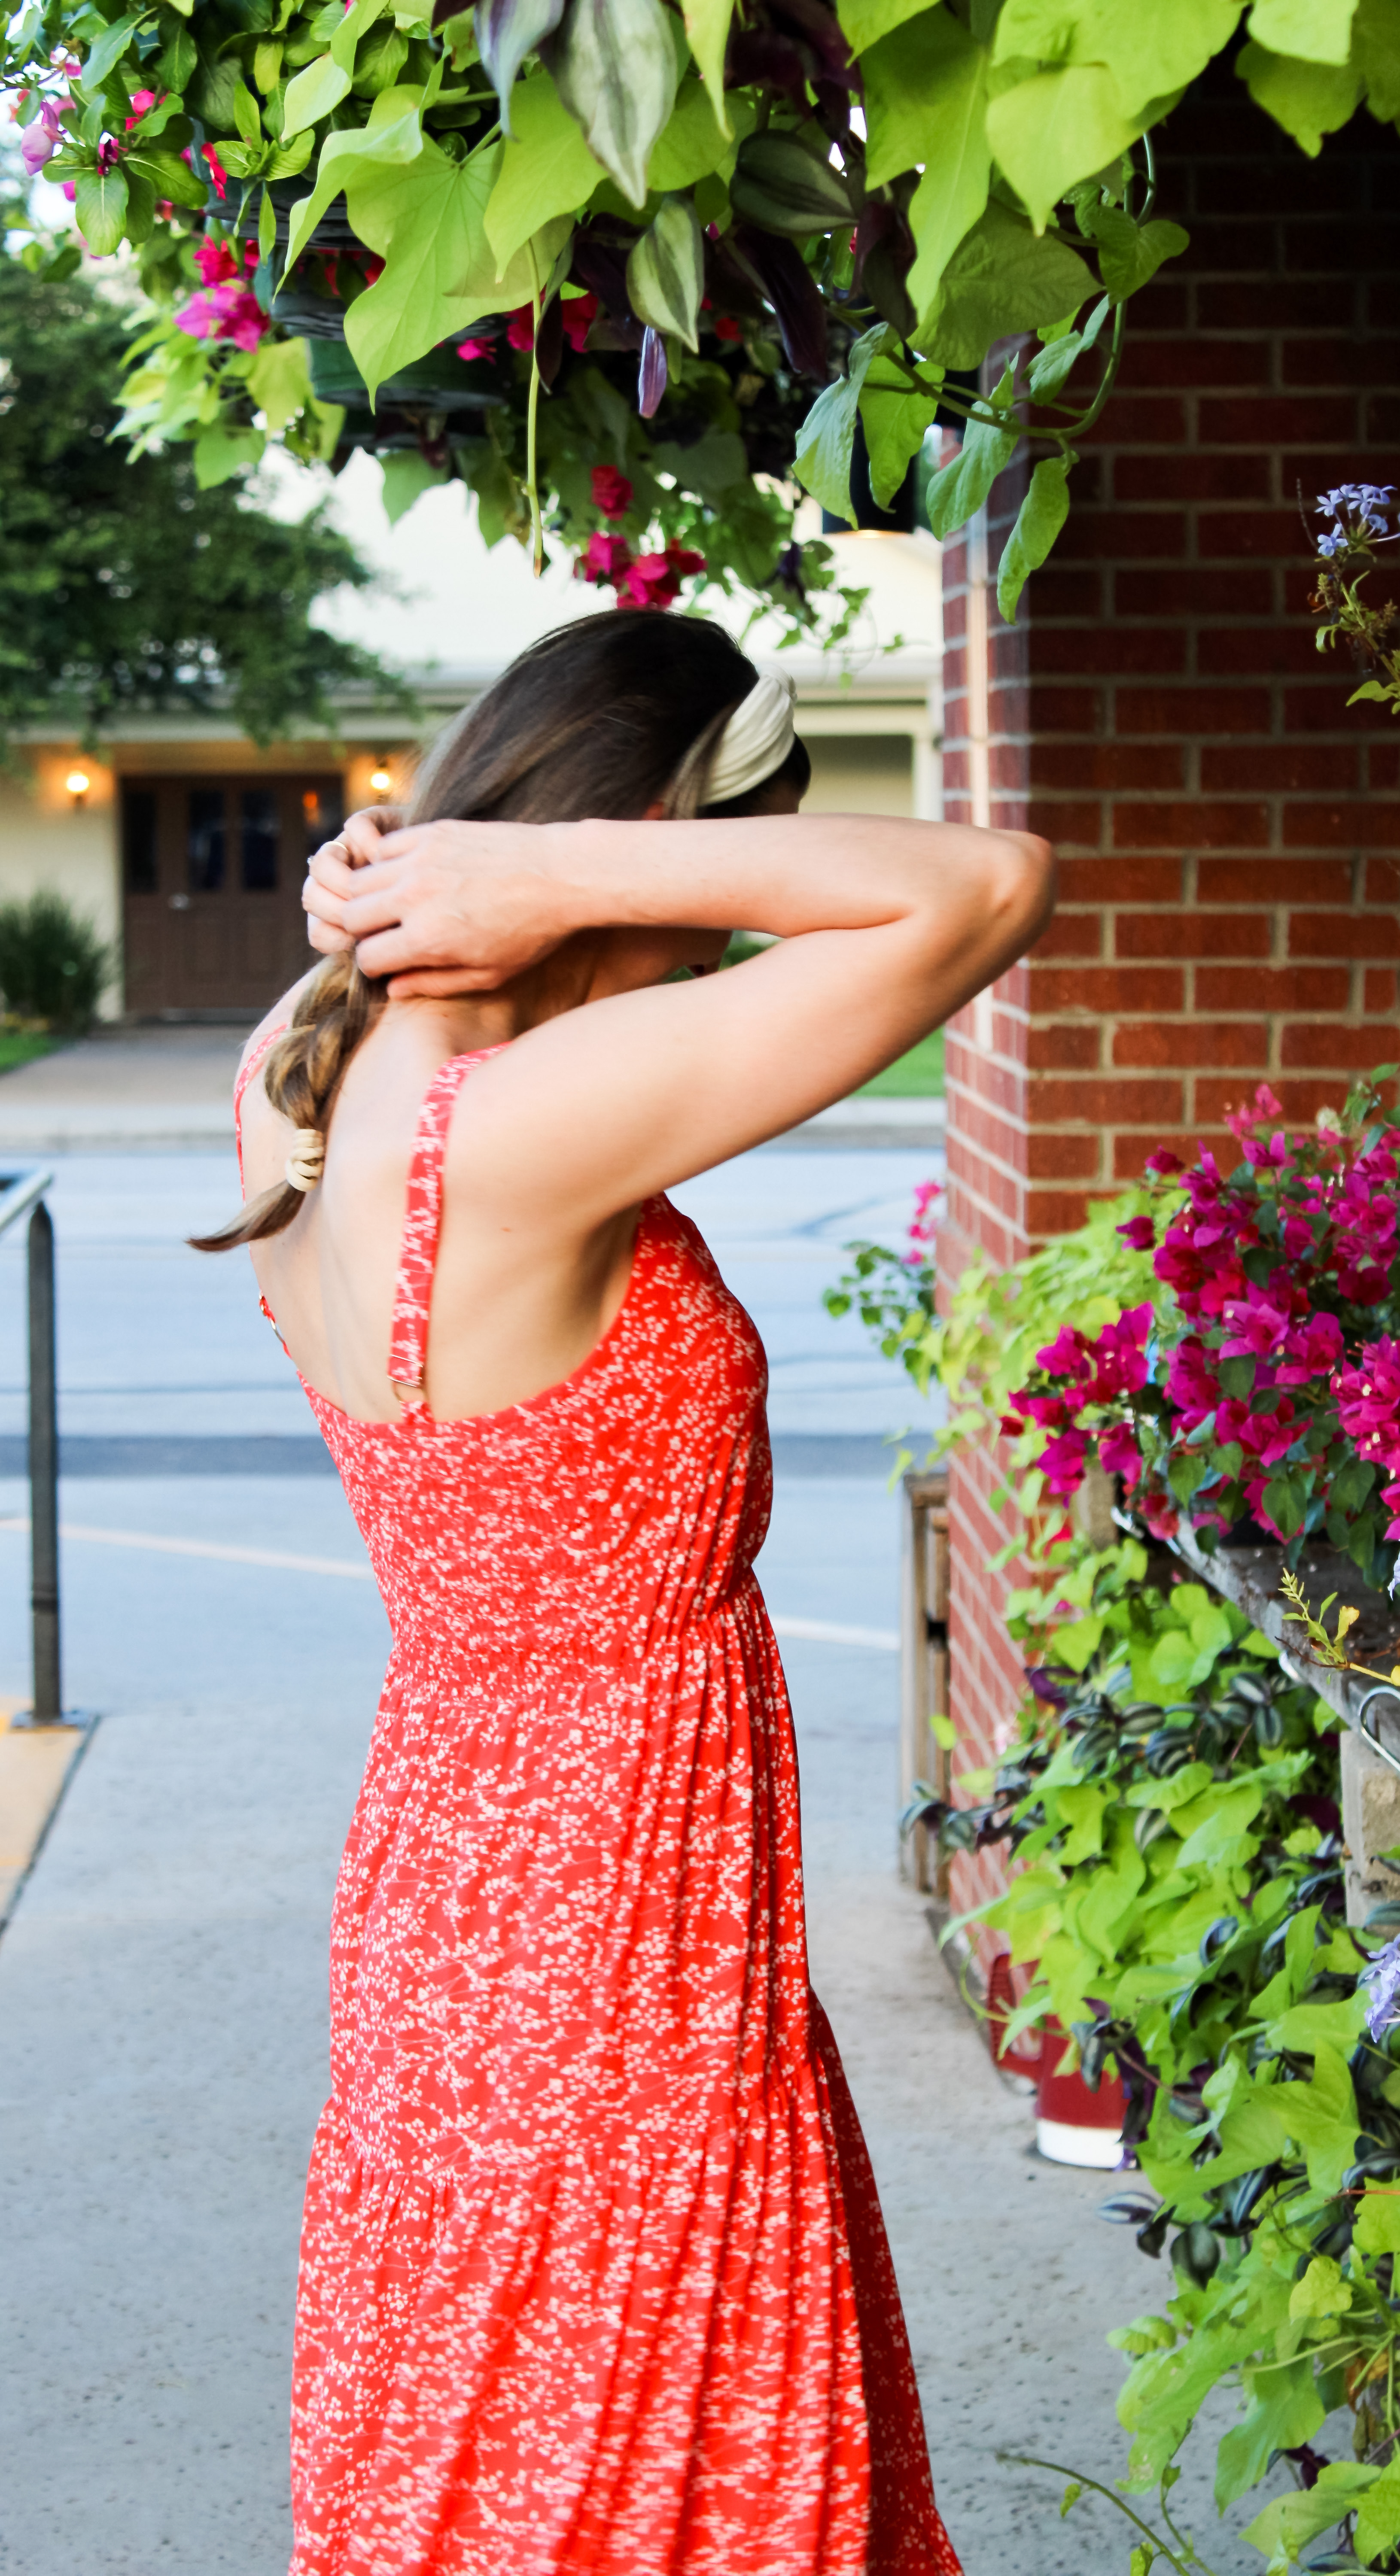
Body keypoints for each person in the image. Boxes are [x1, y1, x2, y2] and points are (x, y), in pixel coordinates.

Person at [195, 609, 1053, 2576]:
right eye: (699, 882)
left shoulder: (292, 1075)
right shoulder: (521, 1134)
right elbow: (986, 885)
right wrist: (566, 871)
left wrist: (482, 871)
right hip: (615, 1925)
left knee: (501, 2448)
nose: (712, 944)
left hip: (454, 1885)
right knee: (648, 2465)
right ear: (640, 837)